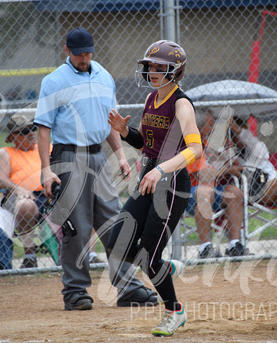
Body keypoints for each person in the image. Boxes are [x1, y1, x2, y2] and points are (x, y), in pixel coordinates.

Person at [34, 28, 158, 311]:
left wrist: (121, 157)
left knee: (115, 222)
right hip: (68, 158)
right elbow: (43, 130)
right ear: (67, 51)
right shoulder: (53, 82)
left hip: (98, 157)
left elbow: (111, 122)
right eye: (79, 54)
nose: (84, 58)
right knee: (76, 228)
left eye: (88, 53)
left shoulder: (104, 76)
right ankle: (75, 291)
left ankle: (128, 287)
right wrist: (45, 169)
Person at [107, 39, 203, 337]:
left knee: (148, 257)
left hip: (171, 184)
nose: (152, 72)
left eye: (159, 67)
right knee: (115, 242)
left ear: (175, 71)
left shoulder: (181, 102)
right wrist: (125, 132)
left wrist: (161, 169)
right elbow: (149, 145)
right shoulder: (152, 99)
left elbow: (196, 149)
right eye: (149, 66)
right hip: (149, 179)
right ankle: (164, 266)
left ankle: (175, 311)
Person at [230, 117, 277, 252]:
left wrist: (238, 129)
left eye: (241, 133)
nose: (238, 137)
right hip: (256, 192)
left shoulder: (257, 147)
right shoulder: (232, 154)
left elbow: (261, 151)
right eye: (235, 135)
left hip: (274, 187)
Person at [186, 111, 246, 259]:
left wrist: (229, 154)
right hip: (190, 194)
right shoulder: (191, 145)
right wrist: (227, 169)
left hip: (212, 191)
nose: (213, 129)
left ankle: (234, 244)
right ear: (199, 128)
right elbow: (204, 175)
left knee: (235, 193)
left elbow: (231, 162)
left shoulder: (207, 144)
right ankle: (205, 248)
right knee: (205, 191)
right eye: (210, 125)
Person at [0, 109, 47, 269]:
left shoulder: (45, 147)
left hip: (47, 195)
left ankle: (79, 256)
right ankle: (30, 257)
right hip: (17, 198)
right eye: (24, 131)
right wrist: (19, 190)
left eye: (32, 129)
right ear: (13, 137)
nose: (31, 133)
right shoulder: (6, 152)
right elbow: (1, 180)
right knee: (26, 205)